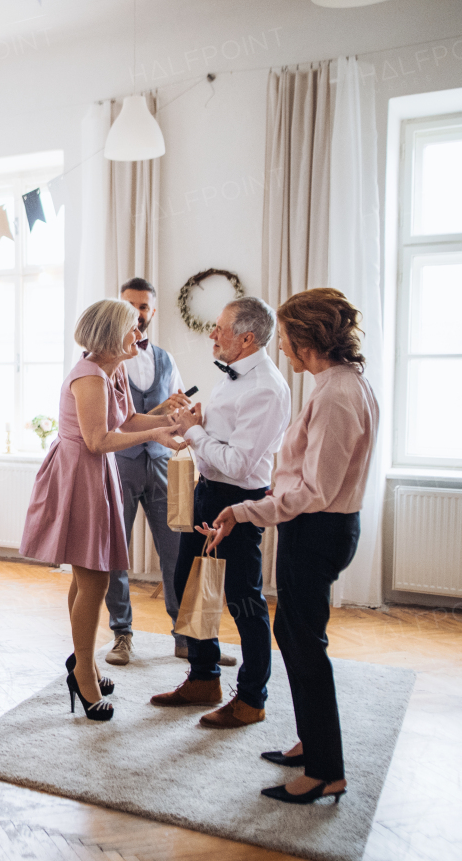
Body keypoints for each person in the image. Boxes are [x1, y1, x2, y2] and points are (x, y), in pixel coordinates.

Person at [198, 288, 378, 804]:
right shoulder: (341, 383)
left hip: (320, 528)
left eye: (289, 339)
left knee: (303, 645)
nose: (282, 350)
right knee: (297, 636)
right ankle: (311, 742)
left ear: (307, 340)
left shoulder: (336, 394)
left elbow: (313, 492)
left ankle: (325, 771)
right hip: (322, 527)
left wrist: (243, 510)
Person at [20, 299, 186, 722]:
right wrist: (159, 430)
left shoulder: (114, 372)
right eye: (133, 329)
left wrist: (165, 428)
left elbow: (128, 422)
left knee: (87, 577)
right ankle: (83, 676)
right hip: (80, 474)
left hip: (96, 474)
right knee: (94, 580)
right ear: (113, 334)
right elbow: (97, 440)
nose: (139, 336)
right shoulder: (89, 376)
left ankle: (85, 663)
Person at [150, 296, 290, 730]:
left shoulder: (266, 388)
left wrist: (193, 432)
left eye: (221, 328)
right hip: (206, 493)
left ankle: (251, 697)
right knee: (191, 585)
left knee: (243, 600)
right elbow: (223, 436)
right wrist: (197, 419)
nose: (212, 334)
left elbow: (238, 463)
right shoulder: (232, 375)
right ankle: (205, 677)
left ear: (246, 338)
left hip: (240, 501)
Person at [104, 277, 214, 668]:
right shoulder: (105, 361)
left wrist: (184, 415)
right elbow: (111, 424)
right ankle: (122, 633)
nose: (137, 312)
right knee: (116, 551)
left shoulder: (166, 359)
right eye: (130, 305)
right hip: (120, 465)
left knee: (176, 551)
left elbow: (178, 413)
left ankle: (184, 635)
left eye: (144, 306)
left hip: (163, 465)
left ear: (153, 311)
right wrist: (157, 413)